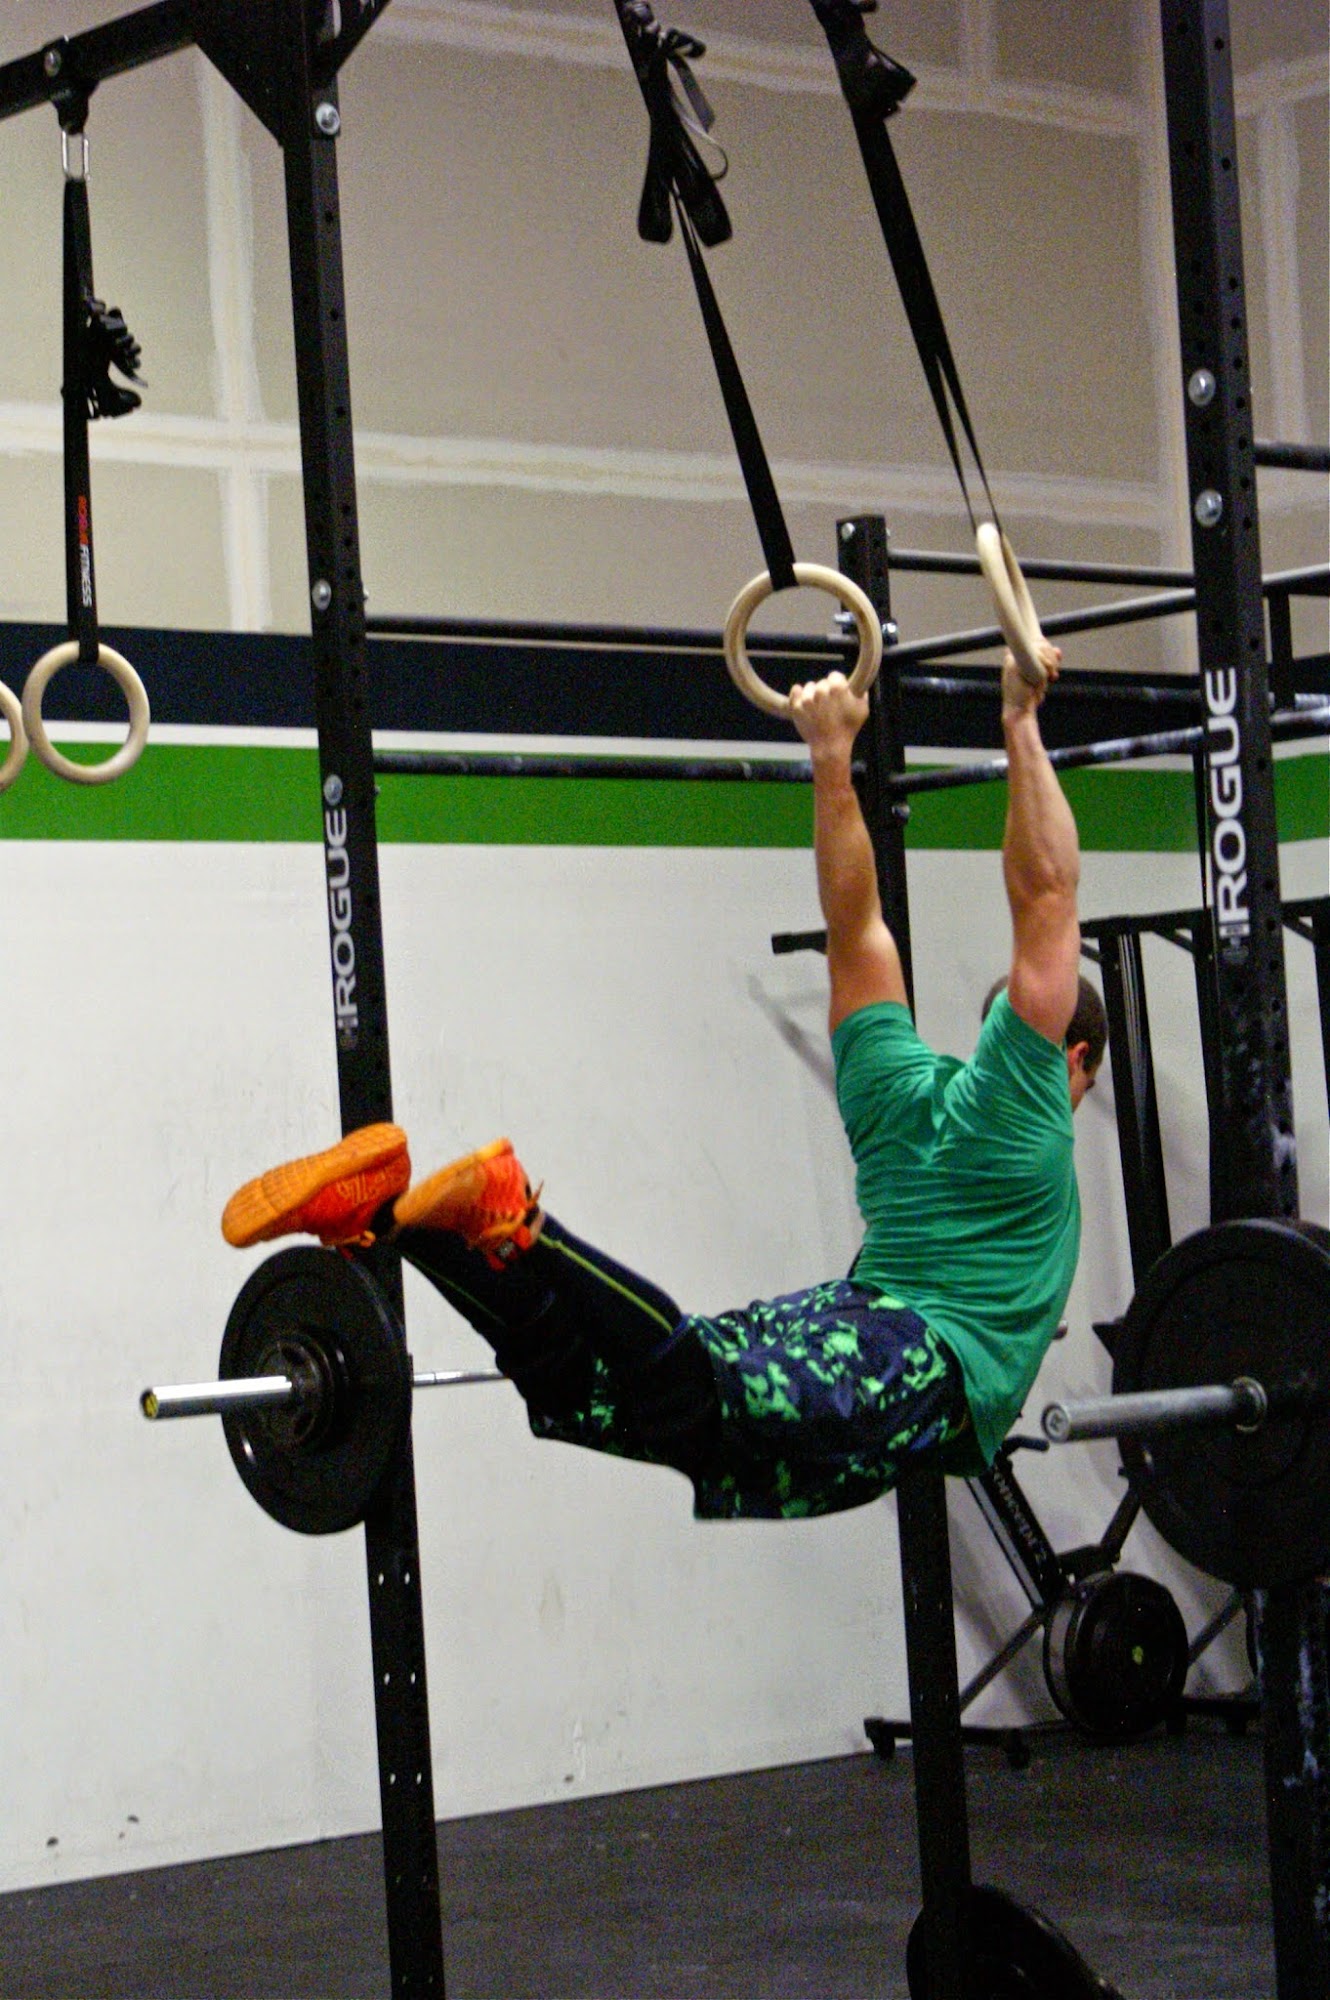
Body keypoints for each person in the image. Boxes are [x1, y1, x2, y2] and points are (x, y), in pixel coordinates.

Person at [222, 642, 1105, 1520]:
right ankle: (522, 1224)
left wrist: (833, 758)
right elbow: (1048, 896)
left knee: (588, 1398)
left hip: (848, 1314)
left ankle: (385, 1218)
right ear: (1073, 1059)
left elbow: (856, 925)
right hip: (920, 1358)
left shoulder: (894, 1092)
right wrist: (1020, 720)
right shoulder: (1022, 1110)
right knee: (697, 1395)